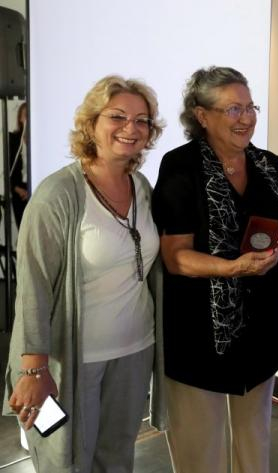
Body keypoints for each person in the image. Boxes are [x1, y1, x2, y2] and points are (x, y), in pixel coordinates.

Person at [3, 75, 166, 472]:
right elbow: (34, 288)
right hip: (73, 358)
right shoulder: (57, 195)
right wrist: (33, 370)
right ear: (91, 124)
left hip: (134, 349)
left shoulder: (141, 186)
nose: (131, 128)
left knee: (117, 458)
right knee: (66, 462)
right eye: (118, 116)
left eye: (142, 120)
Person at [152, 66, 278, 473]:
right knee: (200, 451)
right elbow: (175, 256)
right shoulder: (180, 167)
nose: (247, 117)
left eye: (250, 106)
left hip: (261, 328)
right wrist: (232, 268)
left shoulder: (272, 166)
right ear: (202, 115)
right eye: (233, 108)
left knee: (255, 443)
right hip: (196, 331)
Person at [9, 102, 29, 225]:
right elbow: (8, 168)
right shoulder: (13, 139)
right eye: (25, 115)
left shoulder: (40, 139)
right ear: (20, 119)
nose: (28, 118)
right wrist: (17, 189)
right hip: (18, 191)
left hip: (37, 191)